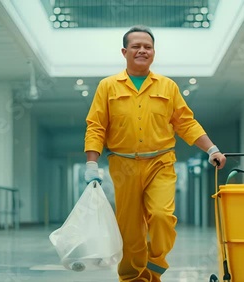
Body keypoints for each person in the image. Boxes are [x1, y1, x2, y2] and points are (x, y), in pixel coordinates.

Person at [84, 25, 226, 282]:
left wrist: (211, 149)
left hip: (161, 162)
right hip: (123, 165)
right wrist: (91, 164)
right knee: (130, 231)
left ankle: (155, 266)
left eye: (147, 47)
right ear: (124, 51)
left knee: (162, 217)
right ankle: (131, 278)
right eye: (136, 46)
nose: (142, 50)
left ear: (153, 52)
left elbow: (186, 122)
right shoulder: (108, 87)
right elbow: (96, 126)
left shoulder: (167, 86)